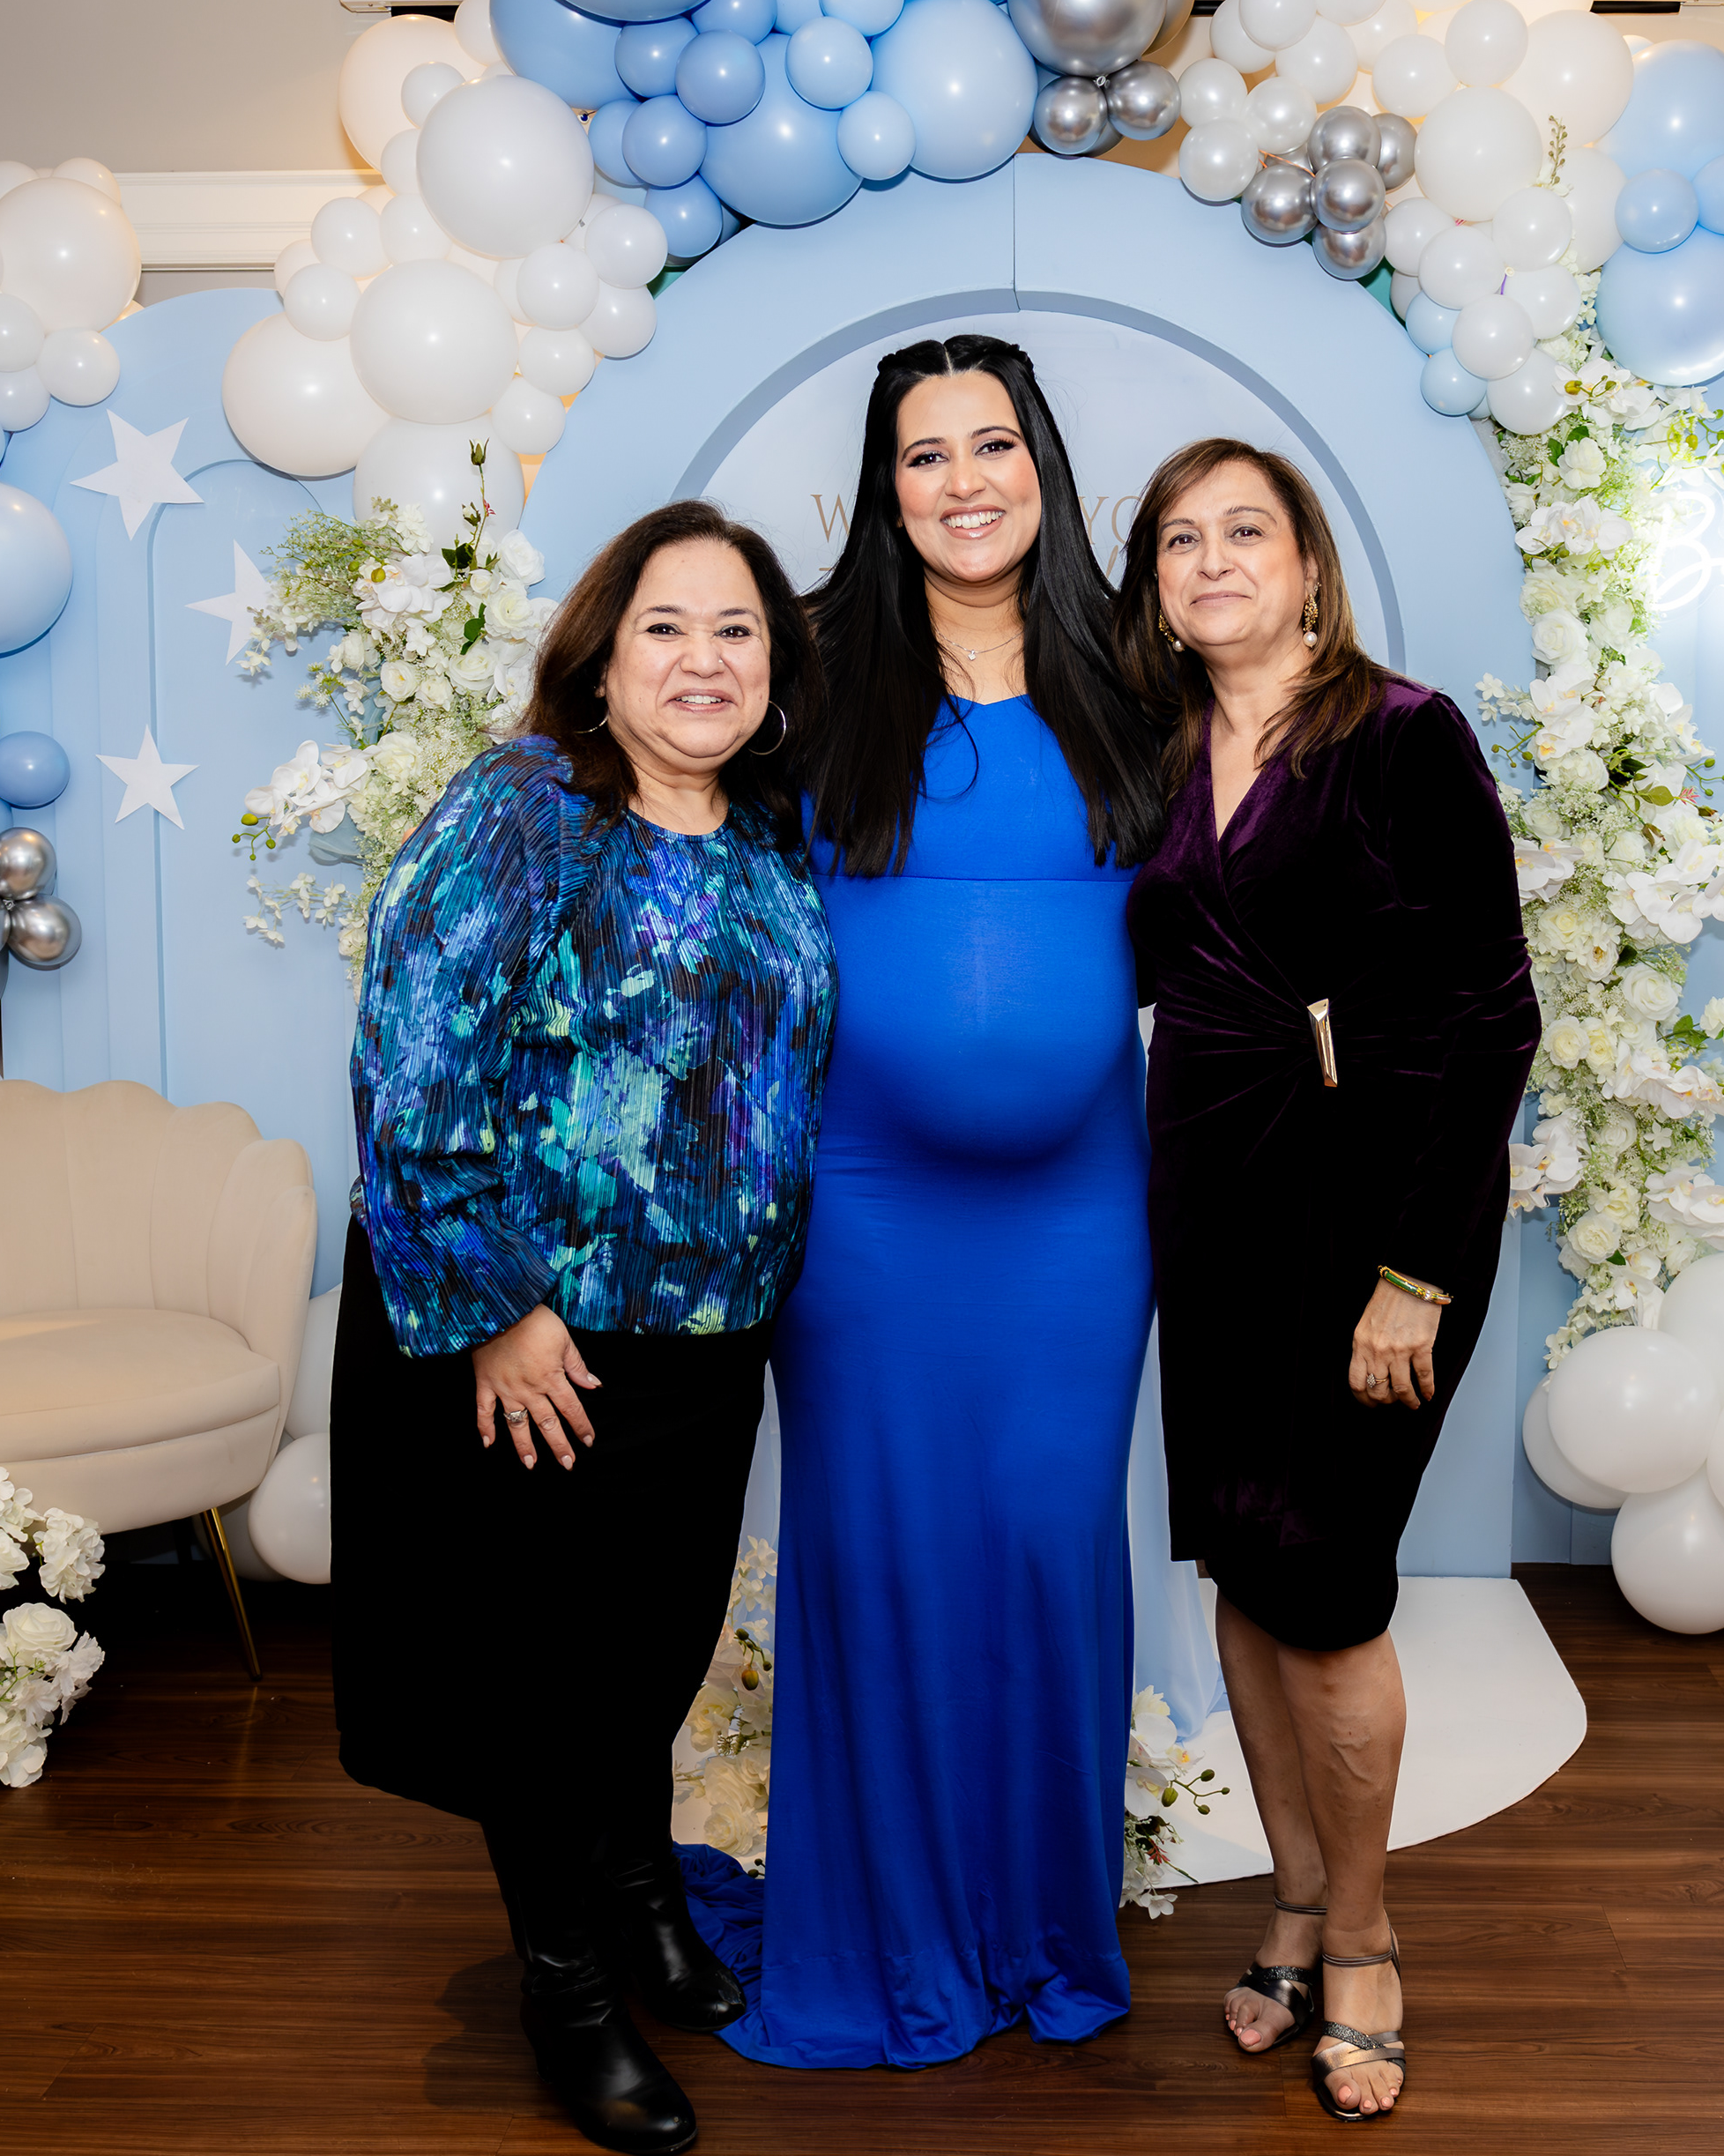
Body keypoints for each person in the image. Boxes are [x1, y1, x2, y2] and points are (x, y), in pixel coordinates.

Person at [331, 501, 834, 2155]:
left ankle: (639, 1898)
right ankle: (568, 1989)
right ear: (601, 659)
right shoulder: (527, 806)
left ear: (774, 665)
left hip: (715, 1335)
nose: (705, 661)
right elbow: (410, 1063)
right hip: (548, 1348)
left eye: (737, 630)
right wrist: (498, 1310)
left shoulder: (766, 834)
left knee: (650, 1652)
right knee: (550, 1683)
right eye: (665, 628)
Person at [725, 334, 1171, 2069]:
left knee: (1053, 1550)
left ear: (1041, 466)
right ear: (883, 487)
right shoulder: (810, 672)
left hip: (1081, 1218)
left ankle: (1044, 1924)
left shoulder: (1135, 666)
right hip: (865, 1214)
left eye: (994, 444)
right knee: (883, 1553)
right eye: (926, 454)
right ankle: (891, 1933)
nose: (964, 481)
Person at [1116, 439, 1539, 2123]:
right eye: (1180, 539)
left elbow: (1493, 1013)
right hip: (1211, 1201)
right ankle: (1293, 1897)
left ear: (1308, 565)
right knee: (1242, 1560)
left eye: (1247, 531)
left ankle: (1361, 1938)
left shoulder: (1403, 735)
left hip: (1377, 1216)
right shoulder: (1154, 751)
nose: (1213, 560)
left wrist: (1416, 1277)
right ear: (1156, 583)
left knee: (1331, 1583)